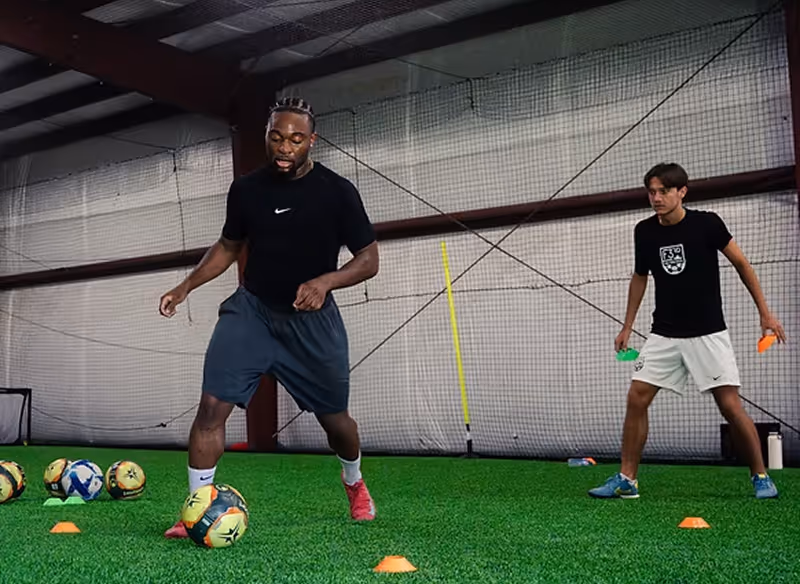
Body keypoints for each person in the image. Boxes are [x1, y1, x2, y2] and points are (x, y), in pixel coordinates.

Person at [158, 96, 379, 537]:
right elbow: (227, 246)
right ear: (266, 136)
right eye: (276, 137)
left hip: (311, 323)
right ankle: (196, 509)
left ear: (312, 141)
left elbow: (369, 258)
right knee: (210, 408)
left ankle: (354, 482)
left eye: (296, 139)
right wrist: (185, 286)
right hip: (252, 312)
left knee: (336, 423)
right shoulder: (246, 190)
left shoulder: (337, 192)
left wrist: (325, 283)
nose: (285, 147)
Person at [588, 162, 786, 500]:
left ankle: (761, 476)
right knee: (637, 397)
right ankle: (627, 480)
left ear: (682, 191)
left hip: (708, 332)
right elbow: (640, 277)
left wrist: (765, 313)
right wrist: (627, 326)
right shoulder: (644, 231)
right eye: (651, 192)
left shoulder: (708, 224)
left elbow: (742, 264)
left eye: (663, 191)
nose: (656, 198)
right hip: (664, 333)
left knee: (729, 404)